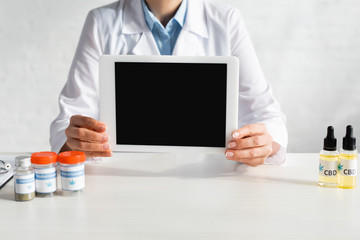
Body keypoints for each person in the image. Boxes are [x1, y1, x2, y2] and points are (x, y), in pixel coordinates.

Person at [50, 0, 288, 166]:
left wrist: (263, 144)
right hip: (123, 177)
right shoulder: (101, 22)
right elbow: (69, 120)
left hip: (208, 177)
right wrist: (74, 140)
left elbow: (266, 114)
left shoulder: (226, 20)